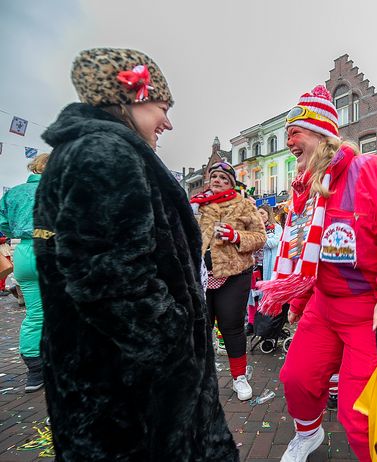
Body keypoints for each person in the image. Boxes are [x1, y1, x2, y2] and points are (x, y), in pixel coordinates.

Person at [34, 48, 238, 461]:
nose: (168, 121)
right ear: (129, 99)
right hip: (130, 398)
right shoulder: (103, 155)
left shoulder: (93, 151)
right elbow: (111, 279)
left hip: (119, 383)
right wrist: (174, 345)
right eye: (162, 107)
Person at [257, 85, 377, 462]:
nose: (289, 141)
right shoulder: (306, 191)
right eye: (287, 133)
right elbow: (313, 254)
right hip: (325, 306)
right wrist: (300, 298)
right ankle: (308, 434)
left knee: (361, 413)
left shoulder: (368, 170)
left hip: (373, 312)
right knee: (297, 379)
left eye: (296, 132)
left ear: (323, 135)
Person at [191, 161, 266, 400]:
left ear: (231, 183)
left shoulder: (244, 205)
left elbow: (260, 236)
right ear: (209, 179)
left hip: (234, 275)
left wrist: (236, 235)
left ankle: (239, 377)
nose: (219, 181)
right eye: (215, 177)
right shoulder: (195, 205)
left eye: (225, 178)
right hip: (200, 276)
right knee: (199, 327)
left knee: (231, 326)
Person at [0, 153, 50, 393]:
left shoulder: (14, 193)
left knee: (35, 313)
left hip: (25, 253)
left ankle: (35, 371)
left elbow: (3, 224)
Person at [246, 204, 282, 335]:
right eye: (258, 213)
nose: (260, 216)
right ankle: (251, 323)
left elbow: (273, 242)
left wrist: (258, 238)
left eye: (262, 213)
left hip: (267, 267)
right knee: (252, 296)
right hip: (253, 267)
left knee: (266, 295)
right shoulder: (252, 229)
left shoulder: (276, 228)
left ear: (268, 215)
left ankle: (266, 323)